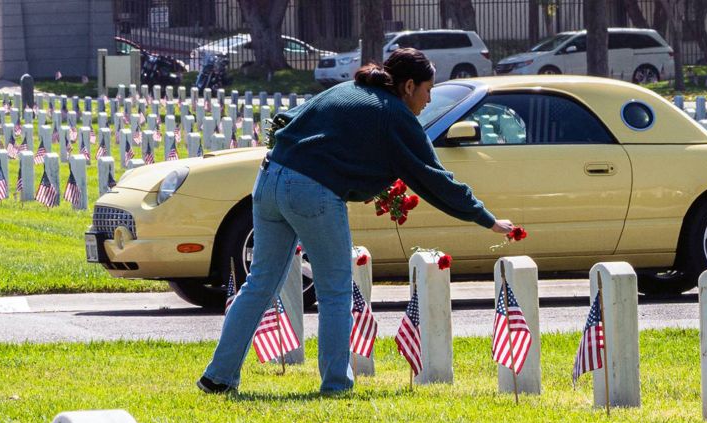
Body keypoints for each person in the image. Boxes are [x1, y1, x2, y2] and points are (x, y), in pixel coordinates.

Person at [198, 48, 513, 395]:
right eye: (427, 89)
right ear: (409, 86)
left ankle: (218, 377)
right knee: (335, 290)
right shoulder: (395, 114)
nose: (428, 99)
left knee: (259, 284)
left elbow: (286, 120)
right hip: (311, 190)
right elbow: (433, 178)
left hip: (269, 178)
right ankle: (336, 384)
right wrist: (486, 218)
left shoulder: (346, 90)